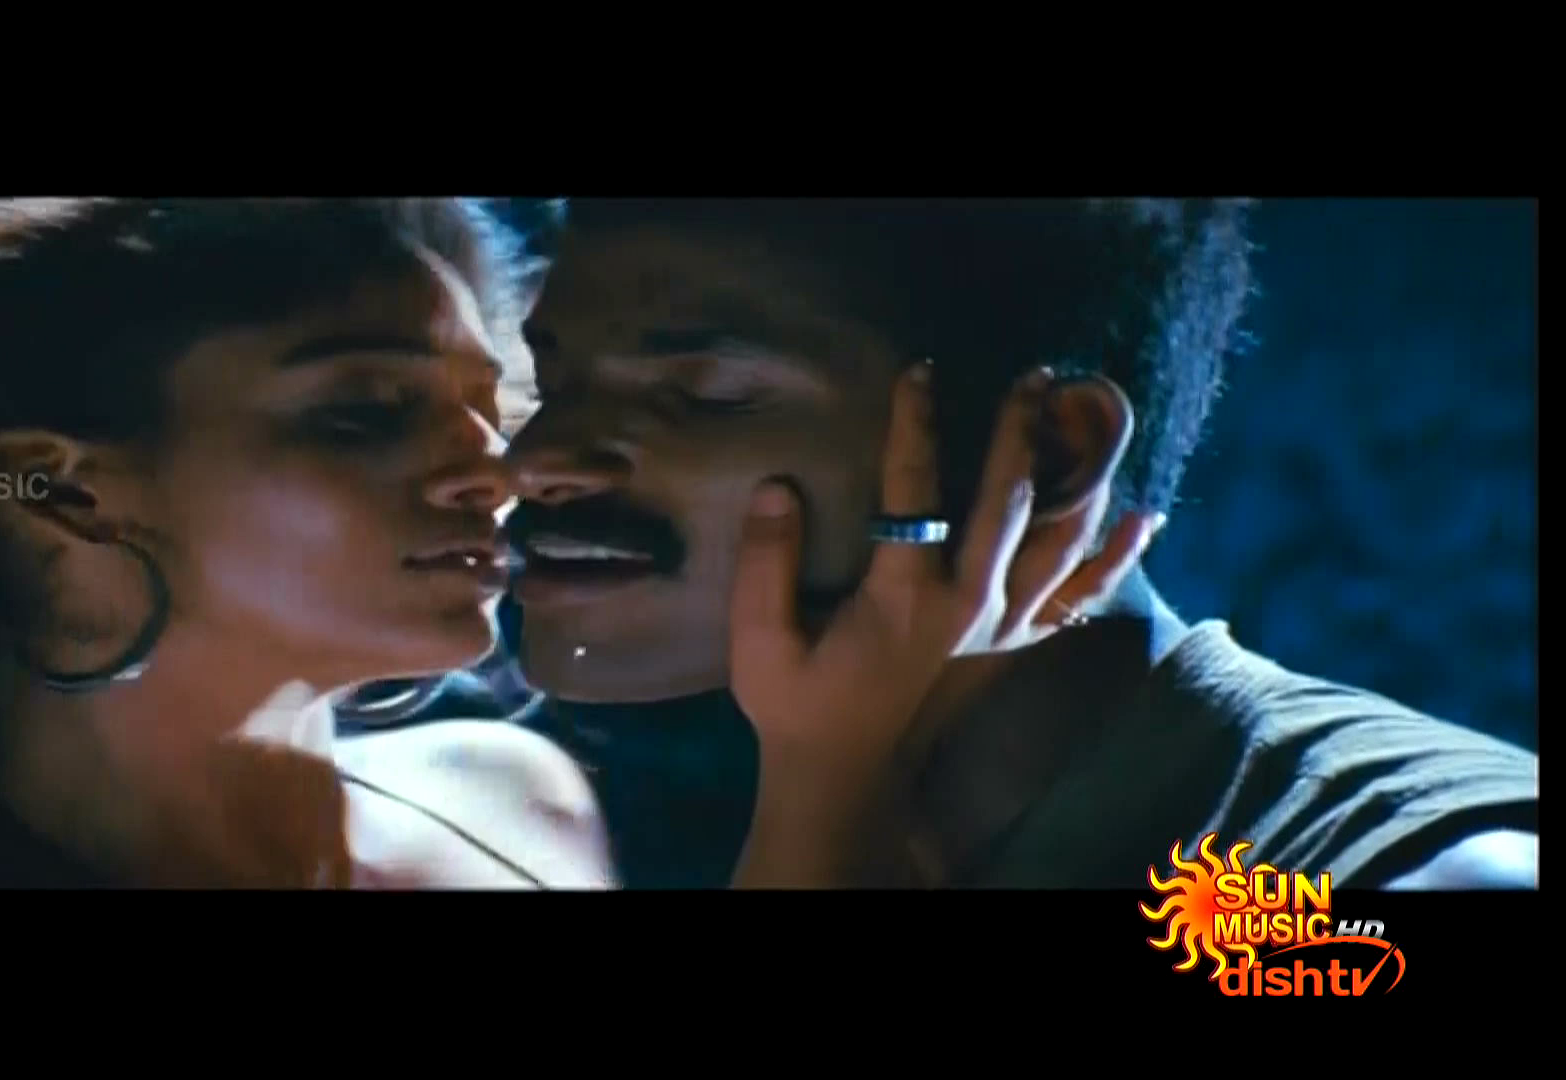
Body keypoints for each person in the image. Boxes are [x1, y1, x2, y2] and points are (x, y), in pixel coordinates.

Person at [496, 197, 1538, 889]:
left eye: (704, 392)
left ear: (1056, 454)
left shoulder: (1372, 879)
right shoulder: (649, 829)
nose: (538, 462)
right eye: (550, 383)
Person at [0, 197, 614, 889]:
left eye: (489, 414)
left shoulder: (518, 798)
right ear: (65, 496)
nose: (497, 476)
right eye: (366, 410)